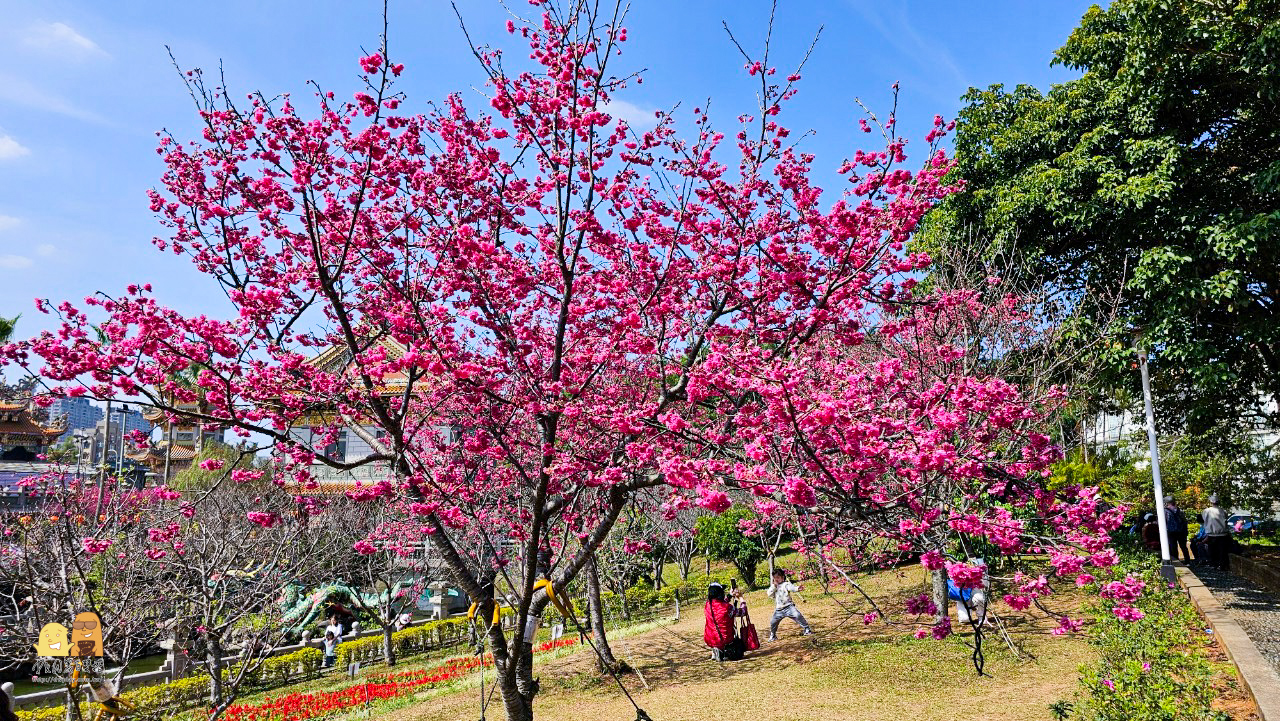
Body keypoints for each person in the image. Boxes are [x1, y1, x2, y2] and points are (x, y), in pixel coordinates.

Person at [703, 582, 747, 661]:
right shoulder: (727, 607)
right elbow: (743, 612)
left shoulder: (707, 605)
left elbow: (719, 605)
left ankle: (717, 650)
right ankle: (723, 652)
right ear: (720, 593)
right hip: (726, 639)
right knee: (738, 645)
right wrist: (741, 599)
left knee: (717, 636)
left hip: (710, 639)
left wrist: (730, 595)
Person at [765, 569, 813, 641]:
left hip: (789, 607)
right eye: (775, 578)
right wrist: (774, 586)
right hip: (779, 609)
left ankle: (807, 629)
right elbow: (769, 594)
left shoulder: (786, 584)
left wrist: (797, 588)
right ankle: (773, 635)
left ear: (783, 577)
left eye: (778, 577)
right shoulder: (773, 586)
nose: (776, 579)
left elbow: (792, 588)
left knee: (797, 615)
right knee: (773, 622)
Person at [1201, 494, 1230, 570]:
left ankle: (1213, 564)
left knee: (1212, 550)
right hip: (1223, 533)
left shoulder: (1206, 511)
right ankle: (1221, 565)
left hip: (1211, 533)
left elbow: (1204, 520)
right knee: (1221, 551)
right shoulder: (1223, 511)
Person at [1164, 496, 1190, 561]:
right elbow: (1184, 521)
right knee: (1183, 547)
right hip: (1181, 532)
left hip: (1171, 532)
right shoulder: (1180, 511)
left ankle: (1175, 560)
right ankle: (1187, 560)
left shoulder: (1165, 511)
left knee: (1173, 547)